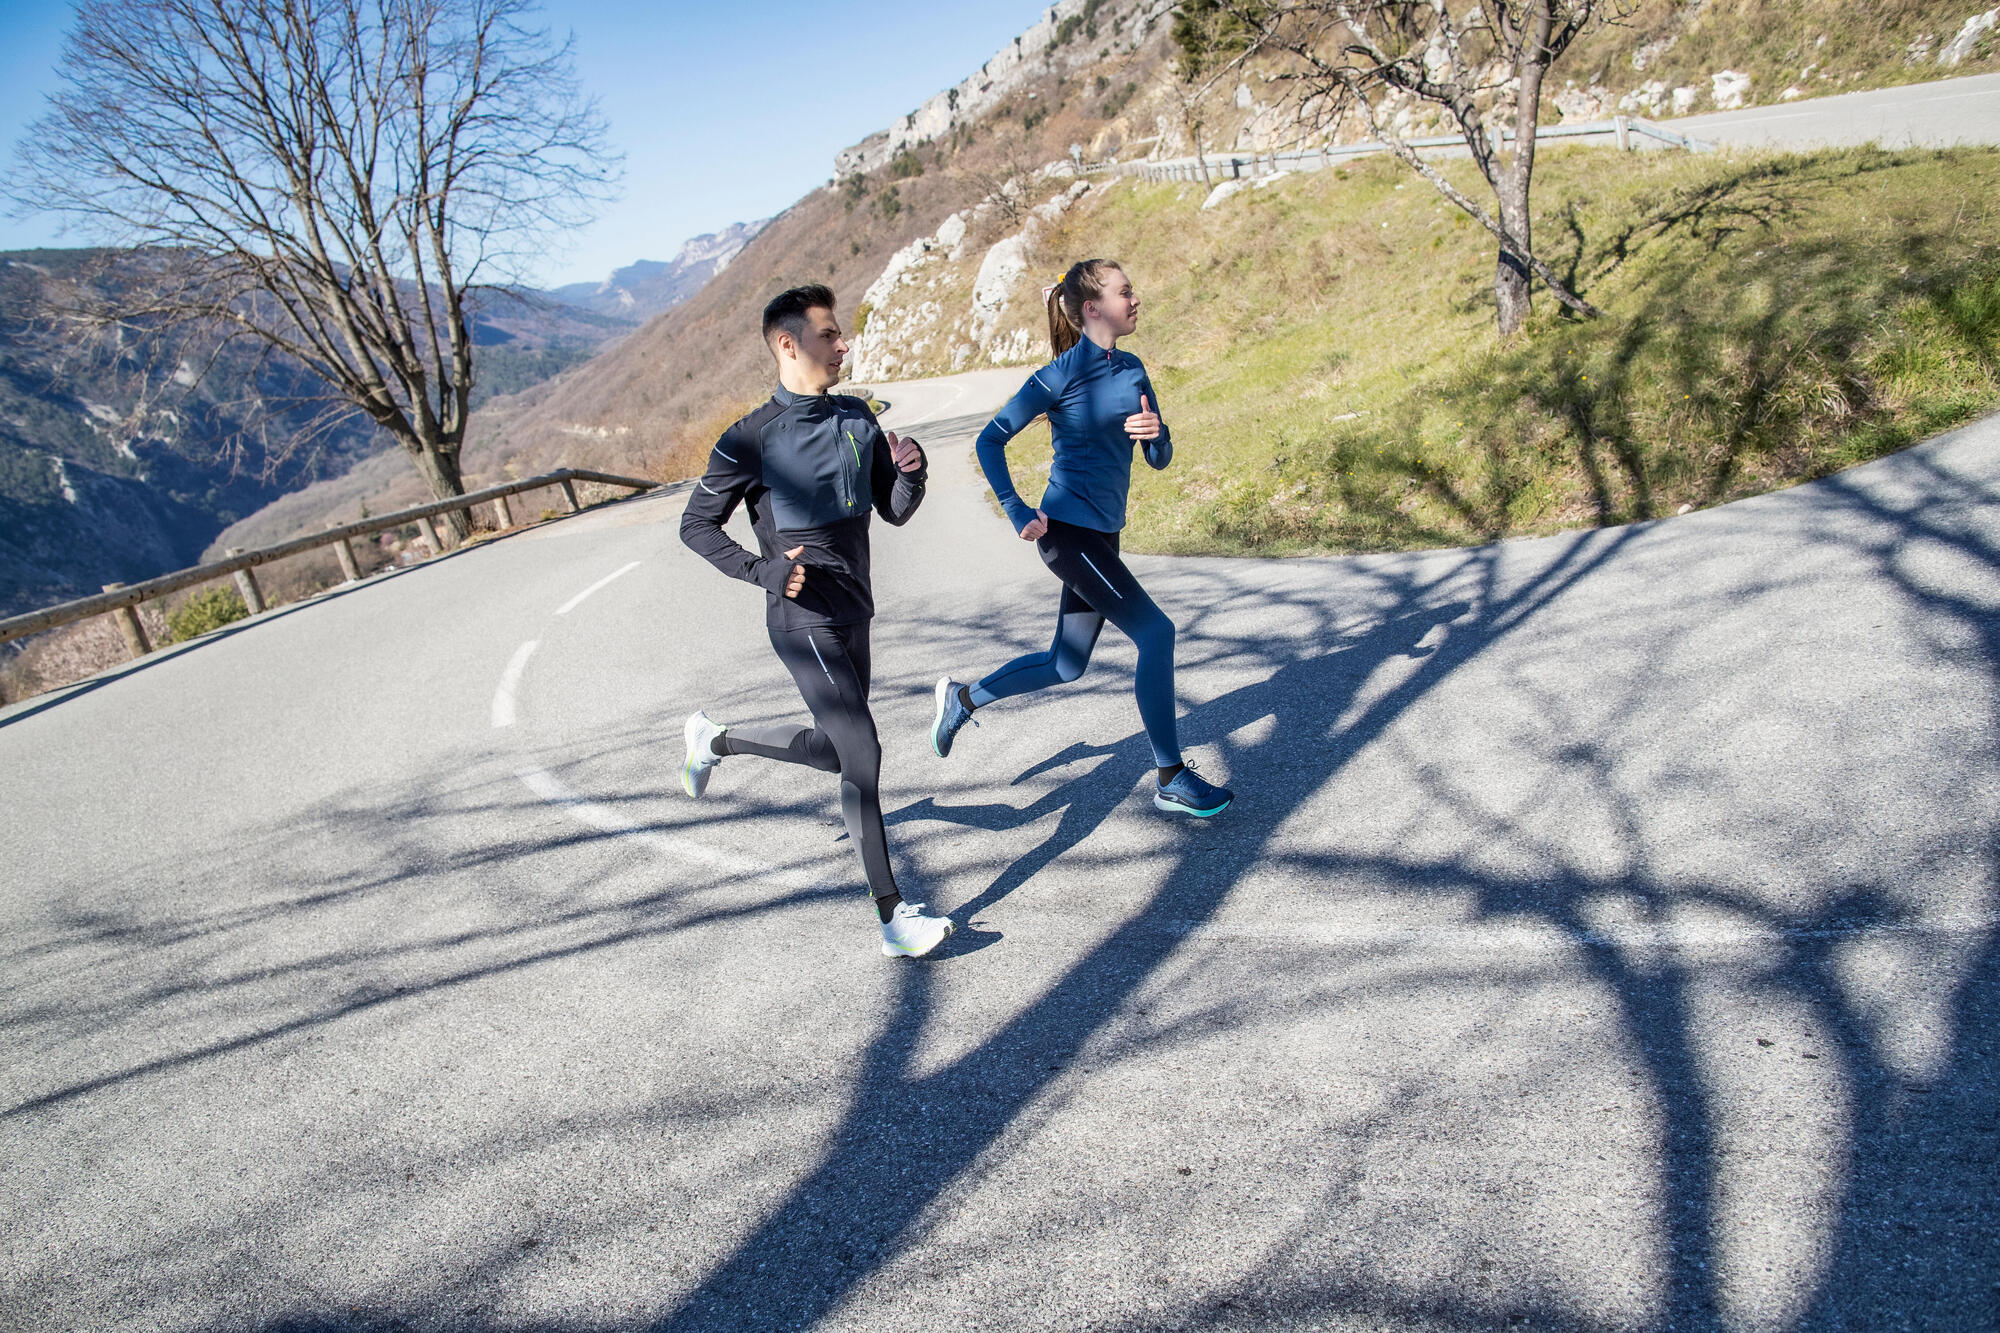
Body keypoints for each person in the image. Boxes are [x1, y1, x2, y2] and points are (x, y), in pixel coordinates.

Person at [678, 284, 955, 958]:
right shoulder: (749, 439)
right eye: (830, 334)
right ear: (788, 343)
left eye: (841, 333)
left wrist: (913, 474)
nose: (844, 344)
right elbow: (695, 525)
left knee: (837, 750)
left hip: (854, 607)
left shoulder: (859, 419)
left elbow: (892, 509)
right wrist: (761, 570)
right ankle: (893, 917)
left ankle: (715, 742)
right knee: (863, 750)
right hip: (800, 617)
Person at [928, 260, 1233, 817]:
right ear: (1093, 308)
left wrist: (1158, 436)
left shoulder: (1134, 367)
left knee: (1066, 664)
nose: (1136, 299)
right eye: (1125, 292)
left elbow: (1158, 458)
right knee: (1157, 633)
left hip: (1103, 537)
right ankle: (1170, 776)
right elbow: (989, 441)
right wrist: (1015, 506)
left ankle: (962, 698)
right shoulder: (1059, 376)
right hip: (1067, 535)